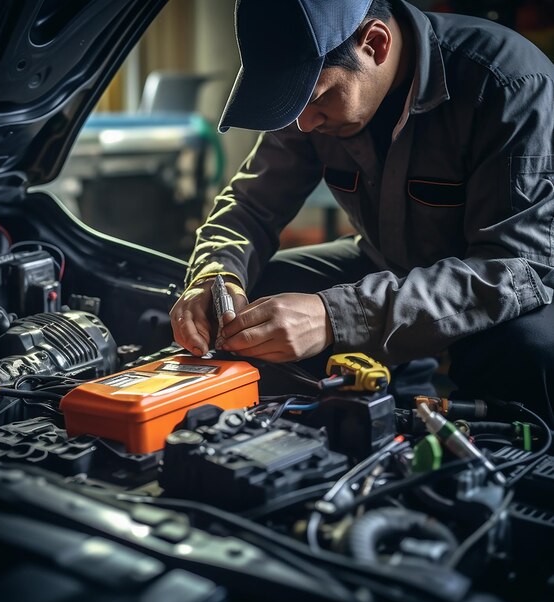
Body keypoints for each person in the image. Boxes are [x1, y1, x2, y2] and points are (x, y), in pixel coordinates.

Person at [170, 0, 554, 422]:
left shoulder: (506, 83)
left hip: (509, 283)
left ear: (374, 43)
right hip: (385, 260)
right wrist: (215, 273)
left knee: (528, 348)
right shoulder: (308, 108)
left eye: (317, 100)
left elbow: (513, 268)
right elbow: (249, 205)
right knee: (260, 301)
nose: (303, 124)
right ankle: (386, 414)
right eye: (293, 106)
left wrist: (335, 316)